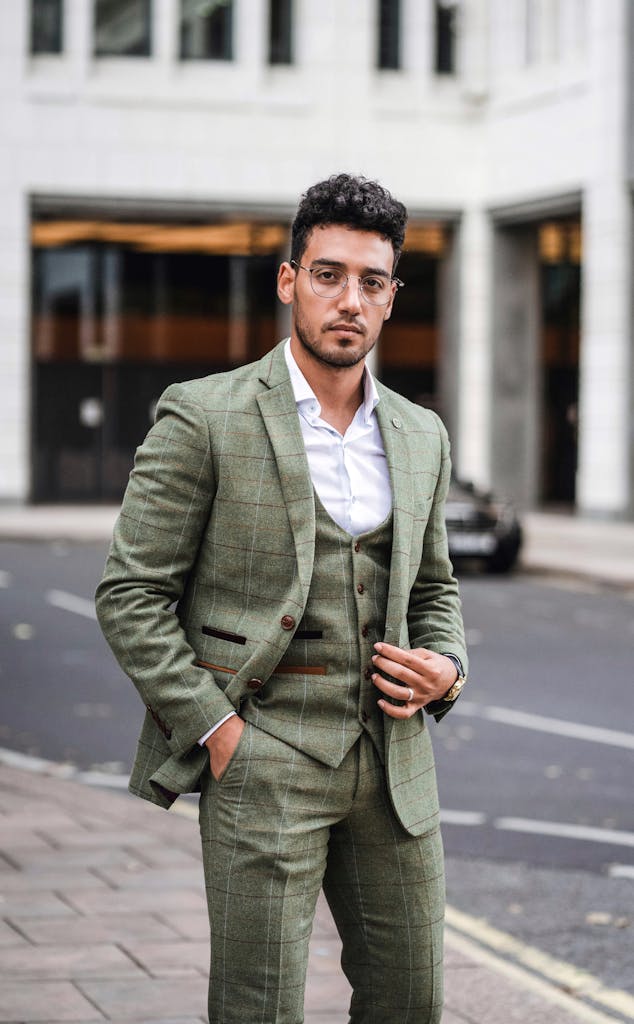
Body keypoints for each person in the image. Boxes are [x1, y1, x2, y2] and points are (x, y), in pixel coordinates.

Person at [96, 172, 468, 1024]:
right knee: (257, 1010)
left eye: (372, 282)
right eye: (329, 275)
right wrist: (218, 731)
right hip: (262, 756)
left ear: (392, 297)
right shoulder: (205, 416)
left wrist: (447, 667)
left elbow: (434, 586)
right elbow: (131, 593)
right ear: (289, 280)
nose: (350, 300)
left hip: (395, 766)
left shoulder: (422, 434)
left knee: (412, 1002)